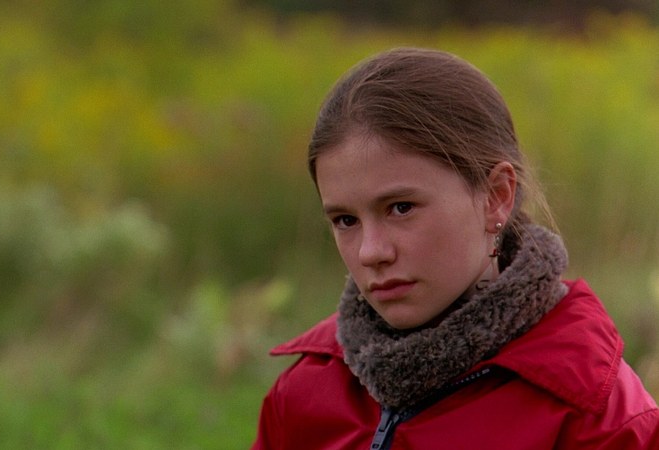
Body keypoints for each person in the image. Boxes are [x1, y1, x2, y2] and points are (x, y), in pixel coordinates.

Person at [251, 47, 659, 449]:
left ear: (496, 196)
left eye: (401, 208)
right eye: (345, 220)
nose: (370, 252)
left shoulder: (600, 422)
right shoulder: (303, 392)